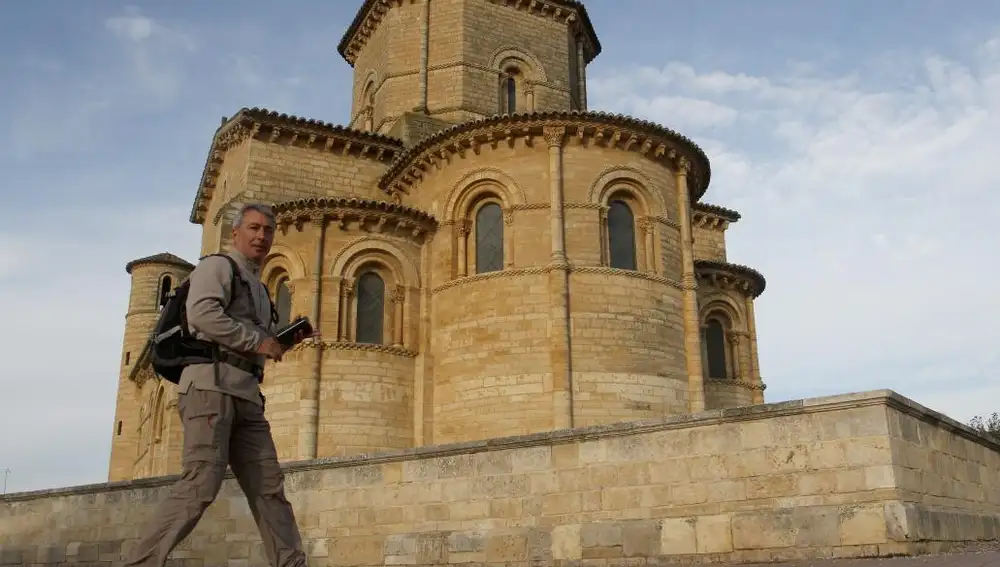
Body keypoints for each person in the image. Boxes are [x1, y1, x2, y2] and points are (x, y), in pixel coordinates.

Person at [124, 203, 316, 567]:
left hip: (247, 395)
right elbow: (202, 315)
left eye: (268, 230)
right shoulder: (217, 266)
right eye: (254, 228)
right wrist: (258, 341)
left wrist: (284, 340)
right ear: (236, 233)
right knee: (201, 482)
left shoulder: (260, 288)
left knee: (270, 489)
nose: (262, 236)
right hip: (210, 388)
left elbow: (259, 342)